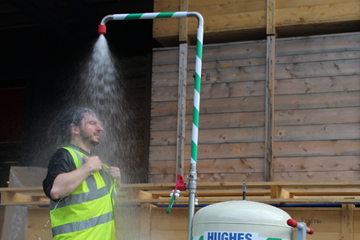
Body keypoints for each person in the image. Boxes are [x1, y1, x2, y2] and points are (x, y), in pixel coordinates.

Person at [43, 108, 120, 240]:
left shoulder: (100, 167)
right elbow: (55, 190)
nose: (100, 128)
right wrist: (87, 168)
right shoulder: (64, 155)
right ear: (75, 129)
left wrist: (117, 182)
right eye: (92, 123)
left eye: (99, 124)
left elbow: (102, 206)